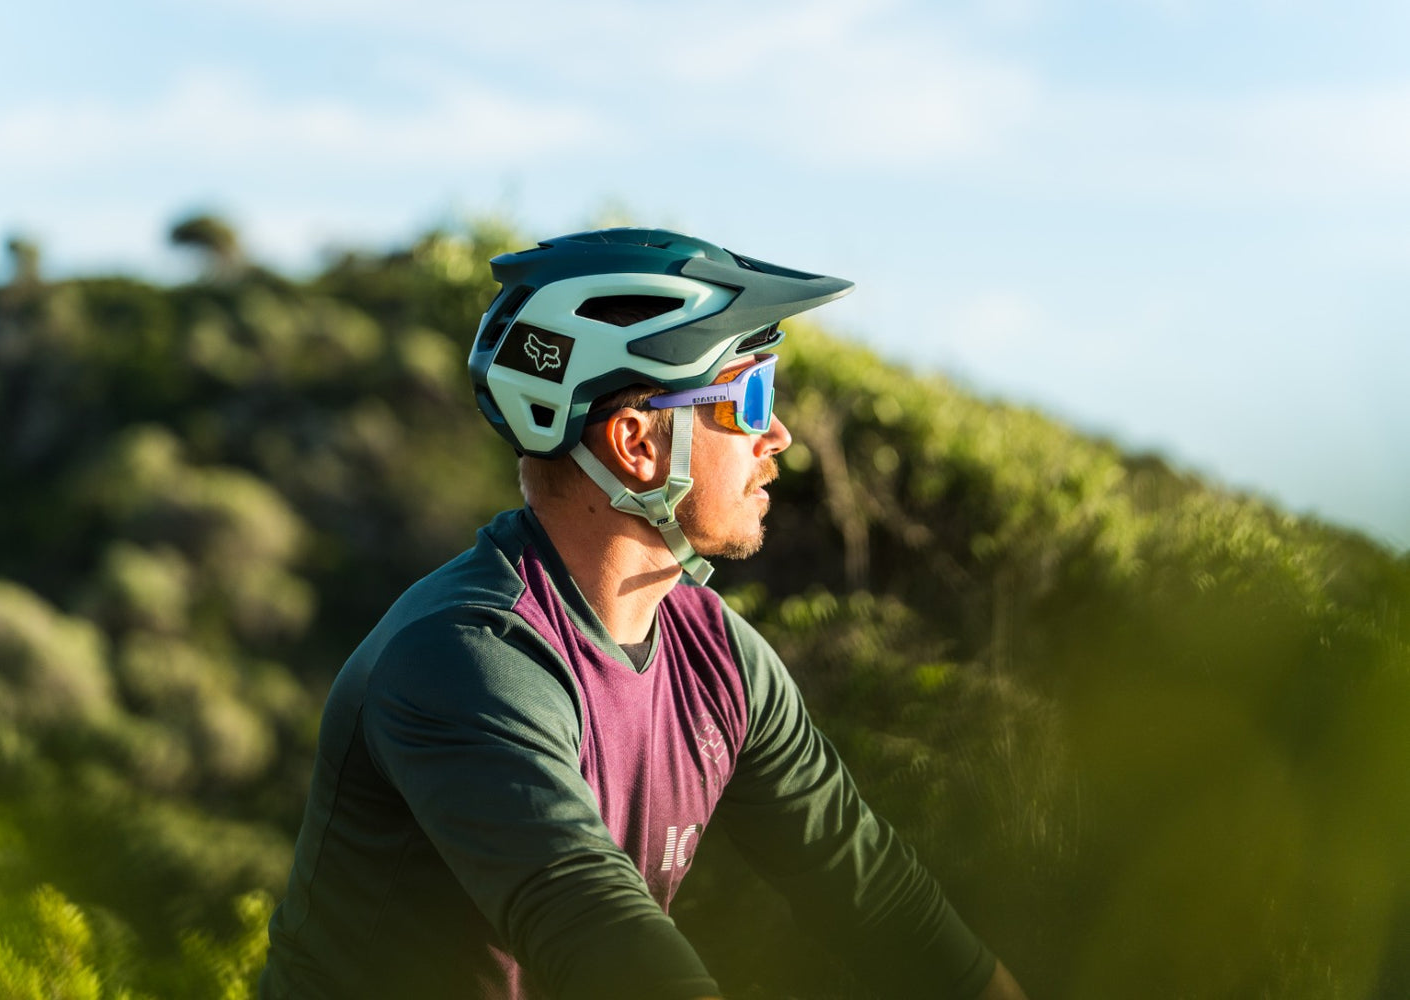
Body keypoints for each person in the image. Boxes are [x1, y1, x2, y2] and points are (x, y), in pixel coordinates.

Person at [260, 228, 1029, 999]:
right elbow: (599, 932)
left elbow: (881, 902)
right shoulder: (464, 658)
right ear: (635, 444)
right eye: (750, 398)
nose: (779, 437)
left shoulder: (719, 656)